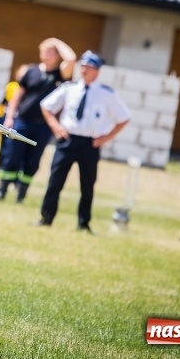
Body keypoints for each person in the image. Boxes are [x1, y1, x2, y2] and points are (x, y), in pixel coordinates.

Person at [37, 51, 130, 232]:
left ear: (97, 71)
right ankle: (46, 217)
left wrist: (107, 137)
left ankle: (83, 223)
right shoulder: (69, 88)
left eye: (89, 67)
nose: (84, 70)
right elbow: (46, 106)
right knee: (55, 181)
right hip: (67, 140)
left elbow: (124, 117)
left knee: (87, 185)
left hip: (90, 144)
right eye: (83, 66)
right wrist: (56, 127)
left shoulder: (106, 94)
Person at [0, 39, 76, 203]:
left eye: (50, 52)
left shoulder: (60, 74)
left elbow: (71, 59)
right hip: (22, 121)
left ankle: (21, 195)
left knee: (33, 160)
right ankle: (1, 190)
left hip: (44, 125)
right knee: (12, 156)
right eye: (44, 51)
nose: (46, 55)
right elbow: (18, 96)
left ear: (58, 55)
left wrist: (55, 42)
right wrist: (10, 117)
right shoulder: (31, 71)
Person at [0, 64, 29, 189]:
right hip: (5, 120)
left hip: (20, 123)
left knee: (17, 153)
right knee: (1, 151)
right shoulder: (12, 86)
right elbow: (2, 102)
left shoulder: (32, 89)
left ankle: (15, 182)